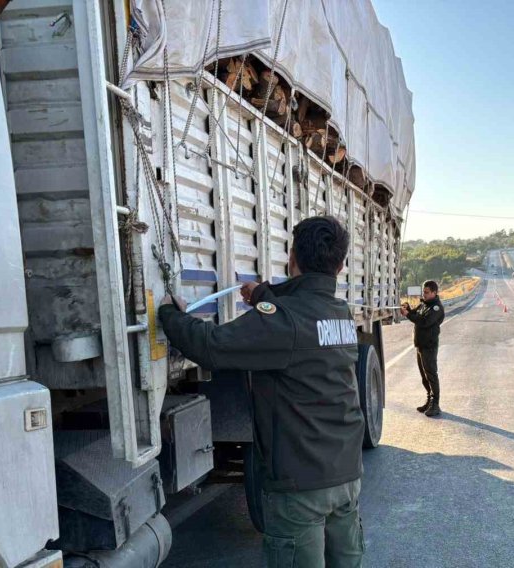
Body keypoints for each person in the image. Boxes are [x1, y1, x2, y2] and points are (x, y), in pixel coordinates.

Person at [159, 215, 365, 567]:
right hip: (346, 476)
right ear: (342, 265)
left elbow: (211, 345)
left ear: (292, 258)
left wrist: (168, 313)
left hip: (301, 486)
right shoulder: (340, 313)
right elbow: (298, 310)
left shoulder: (283, 322)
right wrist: (263, 297)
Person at [400, 280, 445, 417]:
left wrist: (408, 315)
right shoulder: (424, 305)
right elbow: (414, 314)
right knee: (424, 376)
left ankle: (435, 404)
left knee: (431, 374)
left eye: (426, 292)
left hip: (429, 346)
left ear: (434, 292)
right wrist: (407, 309)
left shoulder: (436, 308)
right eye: (423, 292)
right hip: (420, 346)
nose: (424, 295)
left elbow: (424, 322)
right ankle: (429, 400)